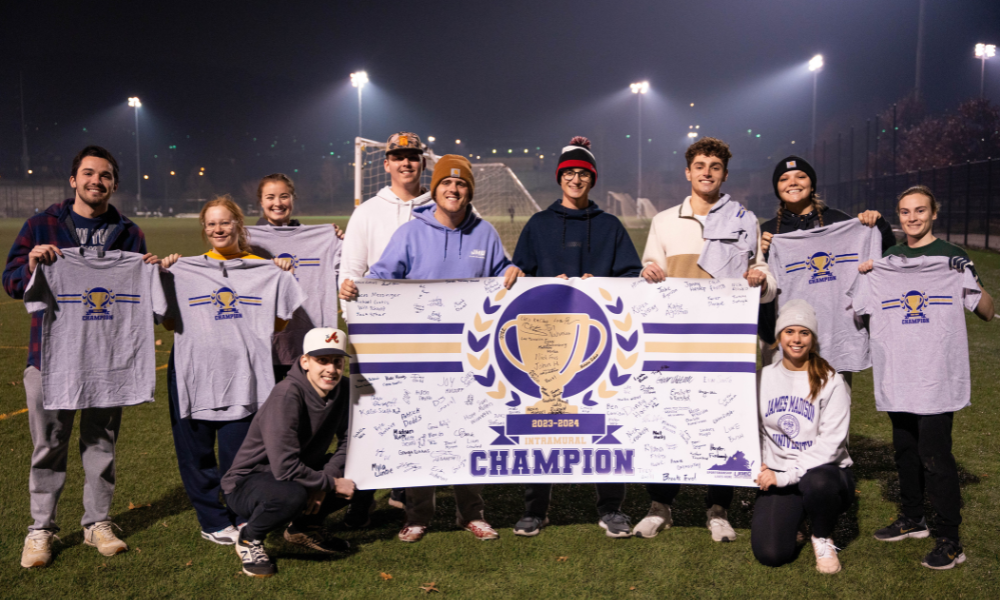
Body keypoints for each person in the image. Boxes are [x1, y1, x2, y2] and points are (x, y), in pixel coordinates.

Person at [343, 155, 522, 542]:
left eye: (461, 185)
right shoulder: (411, 232)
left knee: (469, 433)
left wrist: (512, 272)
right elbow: (381, 278)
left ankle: (470, 513)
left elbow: (502, 278)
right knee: (421, 432)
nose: (453, 190)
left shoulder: (485, 233)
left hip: (472, 356)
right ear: (435, 189)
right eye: (446, 184)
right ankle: (418, 515)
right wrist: (358, 289)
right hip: (420, 355)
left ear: (469, 191)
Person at [4, 146, 159, 568]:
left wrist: (155, 270)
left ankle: (97, 523)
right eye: (88, 173)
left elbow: (148, 294)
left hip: (109, 358)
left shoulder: (129, 233)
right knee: (48, 444)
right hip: (50, 357)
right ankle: (41, 529)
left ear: (114, 183)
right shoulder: (41, 225)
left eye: (105, 175)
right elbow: (12, 282)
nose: (96, 181)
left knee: (101, 443)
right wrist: (32, 265)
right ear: (73, 180)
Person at [635, 137, 774, 542]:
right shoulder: (664, 220)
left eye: (715, 165)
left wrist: (760, 280)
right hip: (673, 343)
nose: (707, 171)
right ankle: (661, 506)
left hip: (725, 345)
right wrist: (647, 272)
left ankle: (718, 509)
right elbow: (648, 269)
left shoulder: (745, 219)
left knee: (724, 422)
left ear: (725, 174)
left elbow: (766, 278)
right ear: (688, 172)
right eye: (700, 165)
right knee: (666, 420)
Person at [510, 136, 643, 539]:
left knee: (604, 420)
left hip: (596, 342)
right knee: (544, 423)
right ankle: (536, 508)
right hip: (547, 341)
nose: (575, 179)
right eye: (569, 173)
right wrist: (519, 275)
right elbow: (521, 278)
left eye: (583, 174)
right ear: (559, 178)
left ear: (592, 179)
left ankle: (611, 508)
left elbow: (630, 278)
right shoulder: (538, 224)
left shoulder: (610, 226)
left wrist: (607, 283)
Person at [858, 185, 994, 570]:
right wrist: (868, 272)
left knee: (935, 455)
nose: (912, 218)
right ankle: (913, 518)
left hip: (936, 375)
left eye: (920, 211)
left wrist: (967, 277)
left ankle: (951, 539)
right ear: (898, 216)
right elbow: (861, 310)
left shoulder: (951, 256)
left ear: (934, 213)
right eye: (904, 211)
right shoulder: (888, 259)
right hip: (898, 373)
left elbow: (985, 311)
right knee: (904, 450)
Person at [159, 195, 303, 547]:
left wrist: (280, 275)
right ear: (204, 229)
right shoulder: (183, 270)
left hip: (245, 374)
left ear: (239, 224)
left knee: (241, 456)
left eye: (225, 222)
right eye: (211, 224)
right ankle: (211, 519)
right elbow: (167, 322)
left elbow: (280, 322)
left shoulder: (264, 269)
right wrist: (165, 275)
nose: (218, 229)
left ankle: (242, 514)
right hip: (194, 372)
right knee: (196, 454)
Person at [338, 132, 431, 515]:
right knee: (372, 416)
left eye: (413, 156)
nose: (406, 163)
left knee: (419, 411)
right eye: (399, 157)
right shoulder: (368, 212)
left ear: (422, 162)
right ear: (386, 163)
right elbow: (351, 273)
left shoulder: (437, 207)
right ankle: (362, 497)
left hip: (428, 330)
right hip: (378, 332)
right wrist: (355, 322)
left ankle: (406, 490)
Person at [221, 327, 355, 578]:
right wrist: (329, 483)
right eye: (322, 360)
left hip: (298, 474)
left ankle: (304, 528)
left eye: (337, 361)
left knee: (360, 468)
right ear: (305, 361)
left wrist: (326, 480)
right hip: (247, 482)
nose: (331, 369)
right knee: (290, 495)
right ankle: (249, 539)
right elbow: (284, 467)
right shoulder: (287, 394)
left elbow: (350, 440)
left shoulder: (344, 388)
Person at [757, 156, 894, 368]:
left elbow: (883, 257)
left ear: (812, 185)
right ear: (777, 188)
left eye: (801, 176)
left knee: (835, 399)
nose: (793, 182)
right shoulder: (766, 232)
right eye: (784, 179)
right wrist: (760, 254)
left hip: (837, 336)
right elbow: (755, 285)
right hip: (783, 337)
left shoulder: (840, 222)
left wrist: (878, 226)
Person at [752, 299, 853, 574]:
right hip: (779, 472)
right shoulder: (761, 378)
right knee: (771, 553)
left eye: (804, 333)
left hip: (824, 473)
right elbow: (753, 431)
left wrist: (786, 476)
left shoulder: (831, 381)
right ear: (778, 336)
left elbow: (831, 445)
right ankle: (797, 519)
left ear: (813, 338)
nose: (796, 339)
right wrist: (756, 463)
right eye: (789, 331)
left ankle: (822, 535)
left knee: (818, 483)